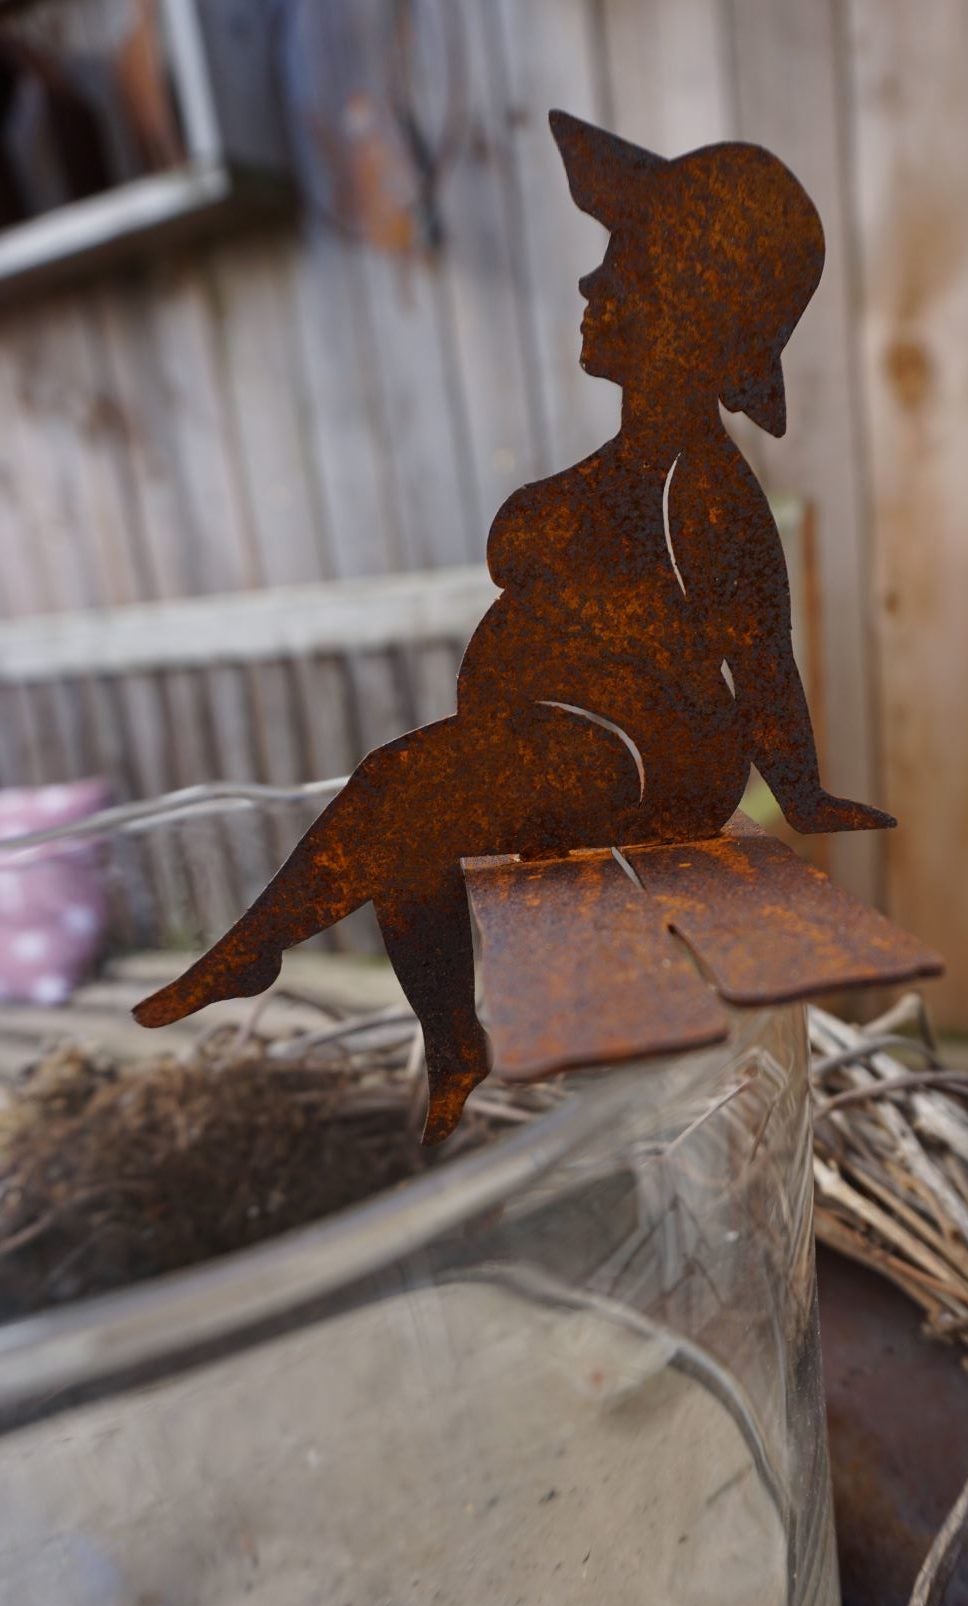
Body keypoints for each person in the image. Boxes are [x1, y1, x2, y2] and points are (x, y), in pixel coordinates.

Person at [135, 110, 893, 1141]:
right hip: (568, 729)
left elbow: (762, 650)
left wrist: (799, 791)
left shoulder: (704, 488)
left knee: (404, 783)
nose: (591, 287)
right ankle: (454, 1045)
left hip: (649, 761)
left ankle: (264, 947)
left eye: (621, 264)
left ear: (690, 308)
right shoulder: (630, 468)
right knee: (413, 825)